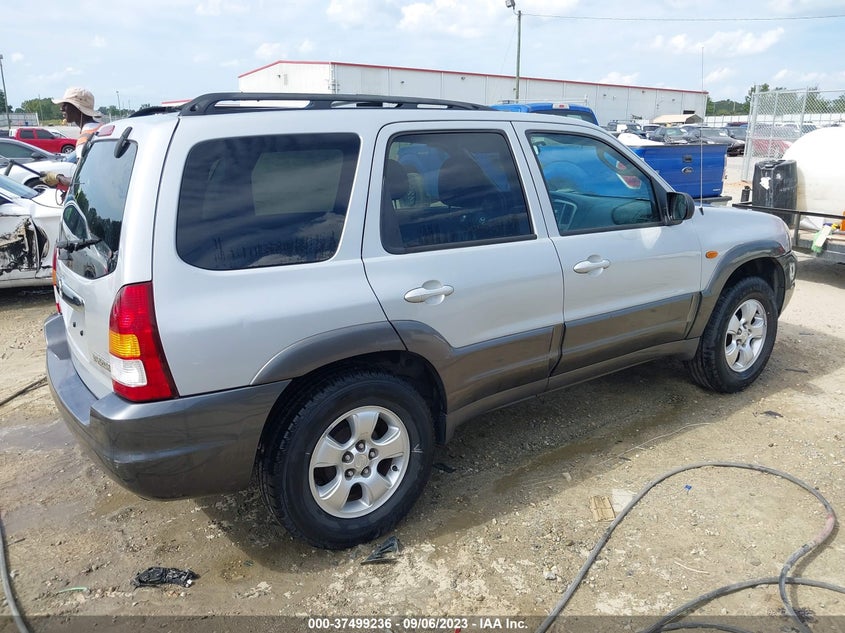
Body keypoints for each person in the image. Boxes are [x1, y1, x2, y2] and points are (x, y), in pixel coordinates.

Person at [41, 87, 101, 188]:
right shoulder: (101, 128)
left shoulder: (84, 140)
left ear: (77, 108)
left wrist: (58, 178)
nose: (61, 108)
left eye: (66, 105)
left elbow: (82, 182)